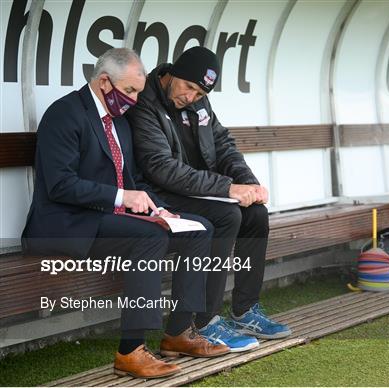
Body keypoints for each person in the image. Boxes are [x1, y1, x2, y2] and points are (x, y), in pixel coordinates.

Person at [21, 48, 229, 379]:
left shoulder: (120, 122)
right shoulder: (65, 114)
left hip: (108, 218)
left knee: (198, 228)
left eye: (137, 92)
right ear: (104, 81)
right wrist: (122, 197)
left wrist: (157, 208)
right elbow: (60, 186)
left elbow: (127, 180)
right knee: (149, 235)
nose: (133, 99)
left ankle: (178, 333)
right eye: (129, 91)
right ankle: (131, 350)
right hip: (66, 222)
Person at [125, 46, 291, 352]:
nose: (191, 97)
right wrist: (228, 188)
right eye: (188, 87)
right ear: (173, 73)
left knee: (256, 213)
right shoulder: (145, 101)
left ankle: (244, 310)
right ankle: (205, 320)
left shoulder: (200, 103)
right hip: (160, 194)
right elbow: (160, 168)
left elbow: (223, 145)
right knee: (227, 216)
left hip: (196, 189)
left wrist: (248, 183)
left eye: (200, 93)